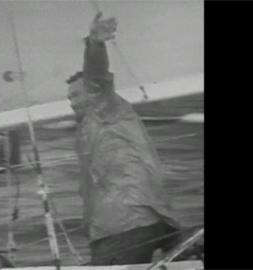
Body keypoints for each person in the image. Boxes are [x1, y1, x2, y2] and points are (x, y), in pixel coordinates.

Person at [67, 12, 180, 265]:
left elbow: (97, 77)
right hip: (131, 222)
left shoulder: (105, 106)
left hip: (129, 223)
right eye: (69, 99)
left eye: (76, 96)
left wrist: (95, 44)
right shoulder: (89, 127)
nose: (72, 104)